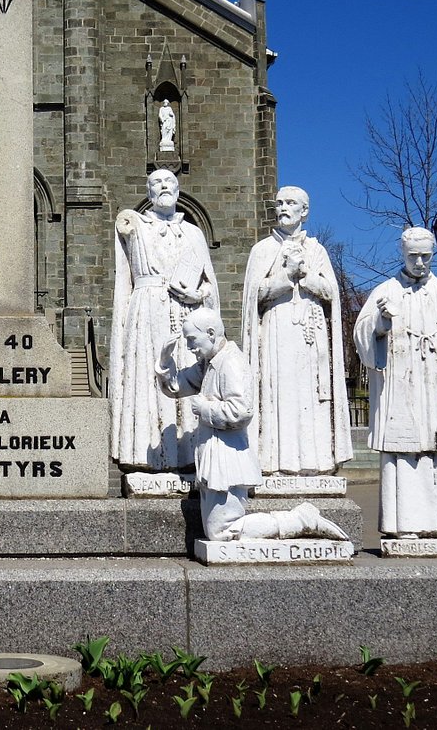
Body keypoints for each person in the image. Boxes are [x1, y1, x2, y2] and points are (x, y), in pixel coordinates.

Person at [157, 307, 347, 543]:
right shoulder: (208, 364)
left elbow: (242, 411)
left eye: (192, 340)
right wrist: (166, 360)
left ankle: (300, 520)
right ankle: (298, 520)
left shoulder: (231, 363)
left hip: (227, 459)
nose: (189, 347)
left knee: (221, 532)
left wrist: (205, 409)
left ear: (211, 333)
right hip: (213, 457)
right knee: (216, 531)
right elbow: (177, 387)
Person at [354, 227, 437, 539]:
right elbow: (362, 337)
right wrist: (381, 323)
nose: (421, 262)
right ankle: (406, 527)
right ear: (403, 253)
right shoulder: (384, 292)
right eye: (414, 256)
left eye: (426, 256)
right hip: (403, 390)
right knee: (406, 457)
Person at [109, 169, 218, 469]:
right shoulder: (136, 227)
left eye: (169, 181)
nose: (164, 186)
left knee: (186, 376)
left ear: (179, 189)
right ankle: (148, 455)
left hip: (186, 315)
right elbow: (125, 274)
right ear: (149, 193)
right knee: (148, 376)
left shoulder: (194, 234)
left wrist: (198, 296)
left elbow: (209, 282)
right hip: (147, 312)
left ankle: (187, 455)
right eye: (156, 182)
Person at [241, 186, 351, 475]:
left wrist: (307, 276)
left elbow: (330, 293)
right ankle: (276, 462)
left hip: (311, 335)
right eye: (279, 203)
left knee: (311, 395)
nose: (283, 208)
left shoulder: (317, 250)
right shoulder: (262, 250)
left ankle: (315, 462)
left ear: (304, 211)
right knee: (280, 396)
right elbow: (256, 294)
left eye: (290, 203)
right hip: (277, 331)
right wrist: (286, 276)